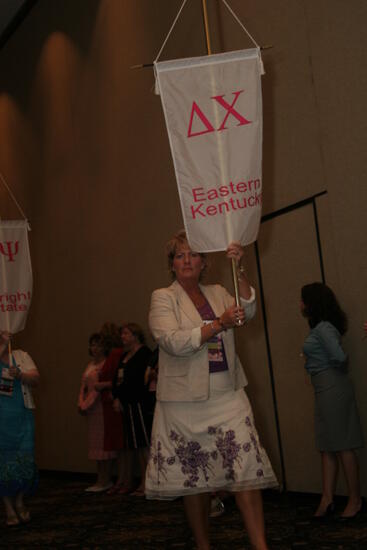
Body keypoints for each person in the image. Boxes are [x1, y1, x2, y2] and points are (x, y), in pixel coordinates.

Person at [145, 230, 277, 550]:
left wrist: (240, 268)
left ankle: (261, 546)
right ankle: (203, 545)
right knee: (195, 481)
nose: (187, 260)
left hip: (227, 394)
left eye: (193, 254)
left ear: (205, 262)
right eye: (180, 255)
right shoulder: (163, 297)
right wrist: (218, 324)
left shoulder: (218, 291)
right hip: (183, 404)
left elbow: (248, 311)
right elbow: (172, 341)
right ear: (172, 265)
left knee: (246, 468)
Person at [301, 282, 364, 519]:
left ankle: (355, 500)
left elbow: (339, 357)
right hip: (324, 388)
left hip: (332, 388)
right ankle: (327, 498)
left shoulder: (324, 328)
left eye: (303, 300)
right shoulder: (320, 328)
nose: (300, 305)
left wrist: (326, 368)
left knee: (343, 444)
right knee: (327, 444)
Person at [0, 331, 39, 526]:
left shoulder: (21, 355)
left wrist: (20, 374)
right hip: (2, 419)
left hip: (22, 415)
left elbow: (36, 378)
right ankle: (8, 507)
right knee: (3, 461)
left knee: (25, 457)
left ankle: (20, 500)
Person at [112, 323, 152, 496]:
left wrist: (124, 395)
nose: (123, 337)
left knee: (144, 444)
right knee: (135, 445)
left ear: (136, 335)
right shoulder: (125, 355)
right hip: (127, 404)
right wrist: (117, 396)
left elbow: (138, 379)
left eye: (126, 333)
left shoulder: (144, 354)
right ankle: (141, 480)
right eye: (122, 334)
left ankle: (147, 481)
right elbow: (117, 378)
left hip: (139, 403)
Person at [78, 333, 116, 492]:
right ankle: (99, 478)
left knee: (103, 444)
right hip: (90, 408)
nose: (94, 348)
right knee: (94, 444)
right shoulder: (90, 365)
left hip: (101, 407)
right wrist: (80, 402)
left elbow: (97, 390)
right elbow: (84, 387)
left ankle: (105, 479)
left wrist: (86, 404)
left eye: (98, 345)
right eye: (92, 345)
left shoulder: (105, 365)